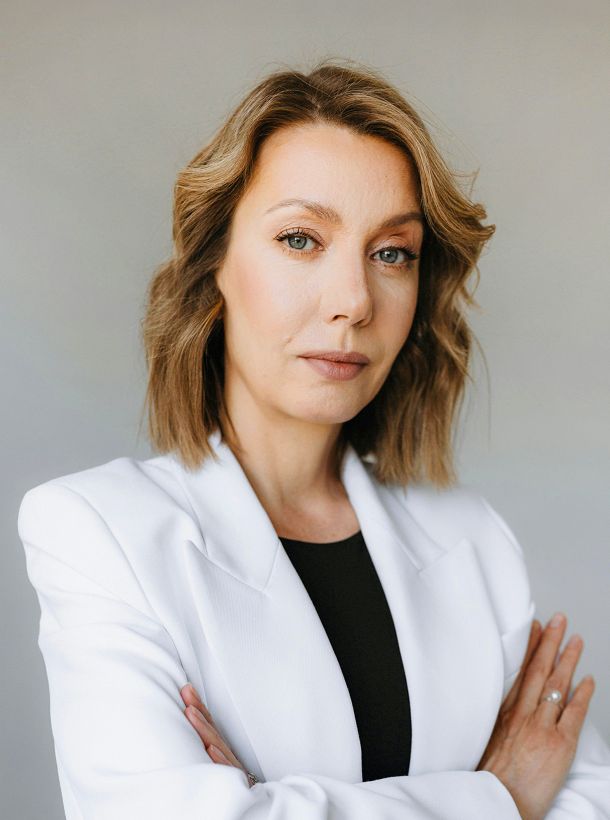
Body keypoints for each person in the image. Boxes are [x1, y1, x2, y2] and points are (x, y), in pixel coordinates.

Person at [18, 58, 610, 820]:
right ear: (215, 263)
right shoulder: (99, 532)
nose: (354, 301)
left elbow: (589, 798)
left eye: (392, 252)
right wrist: (500, 798)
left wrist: (268, 802)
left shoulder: (473, 541)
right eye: (301, 239)